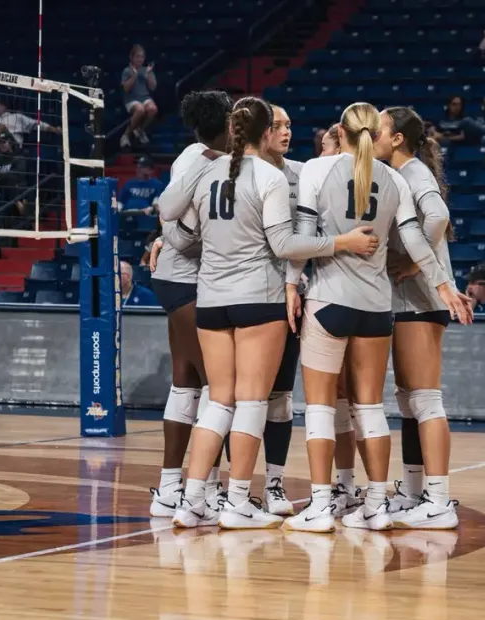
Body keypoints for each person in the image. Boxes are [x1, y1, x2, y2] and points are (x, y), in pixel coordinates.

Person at [162, 96, 380, 530]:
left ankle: (191, 501)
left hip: (210, 298)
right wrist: (342, 243)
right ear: (266, 132)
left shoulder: (205, 170)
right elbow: (284, 246)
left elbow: (168, 212)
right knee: (252, 402)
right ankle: (239, 501)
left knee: (217, 403)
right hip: (258, 298)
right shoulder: (270, 176)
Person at [282, 102, 469, 534]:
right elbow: (419, 241)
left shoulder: (317, 169)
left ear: (342, 132)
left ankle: (323, 506)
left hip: (330, 301)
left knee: (322, 409)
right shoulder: (394, 180)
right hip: (378, 308)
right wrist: (442, 283)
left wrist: (292, 285)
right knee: (371, 408)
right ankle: (378, 506)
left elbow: (304, 240)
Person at [373, 106, 470, 529]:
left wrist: (416, 263)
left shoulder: (415, 174)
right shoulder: (399, 174)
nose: (372, 135)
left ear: (397, 139)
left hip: (423, 300)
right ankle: (413, 492)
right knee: (409, 399)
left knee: (426, 399)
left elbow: (439, 216)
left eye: (378, 130)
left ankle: (439, 499)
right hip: (408, 301)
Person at [145, 90, 233, 520]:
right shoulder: (206, 162)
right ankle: (208, 490)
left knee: (187, 384)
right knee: (219, 389)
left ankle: (168, 488)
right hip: (185, 281)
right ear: (227, 125)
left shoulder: (191, 155)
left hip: (177, 281)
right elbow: (176, 224)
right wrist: (195, 240)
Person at [249, 102, 308, 516]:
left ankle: (273, 483)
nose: (286, 131)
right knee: (239, 398)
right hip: (247, 296)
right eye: (277, 125)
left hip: (290, 298)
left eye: (289, 125)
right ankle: (226, 488)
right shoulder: (240, 173)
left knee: (281, 397)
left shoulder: (303, 175)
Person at [120, 45, 159, 148]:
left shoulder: (147, 70)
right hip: (131, 99)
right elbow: (126, 89)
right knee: (140, 110)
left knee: (153, 109)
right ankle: (126, 135)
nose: (140, 59)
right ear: (132, 57)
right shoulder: (127, 71)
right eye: (137, 56)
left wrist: (149, 75)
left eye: (142, 57)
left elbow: (153, 87)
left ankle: (140, 129)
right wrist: (133, 76)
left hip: (145, 97)